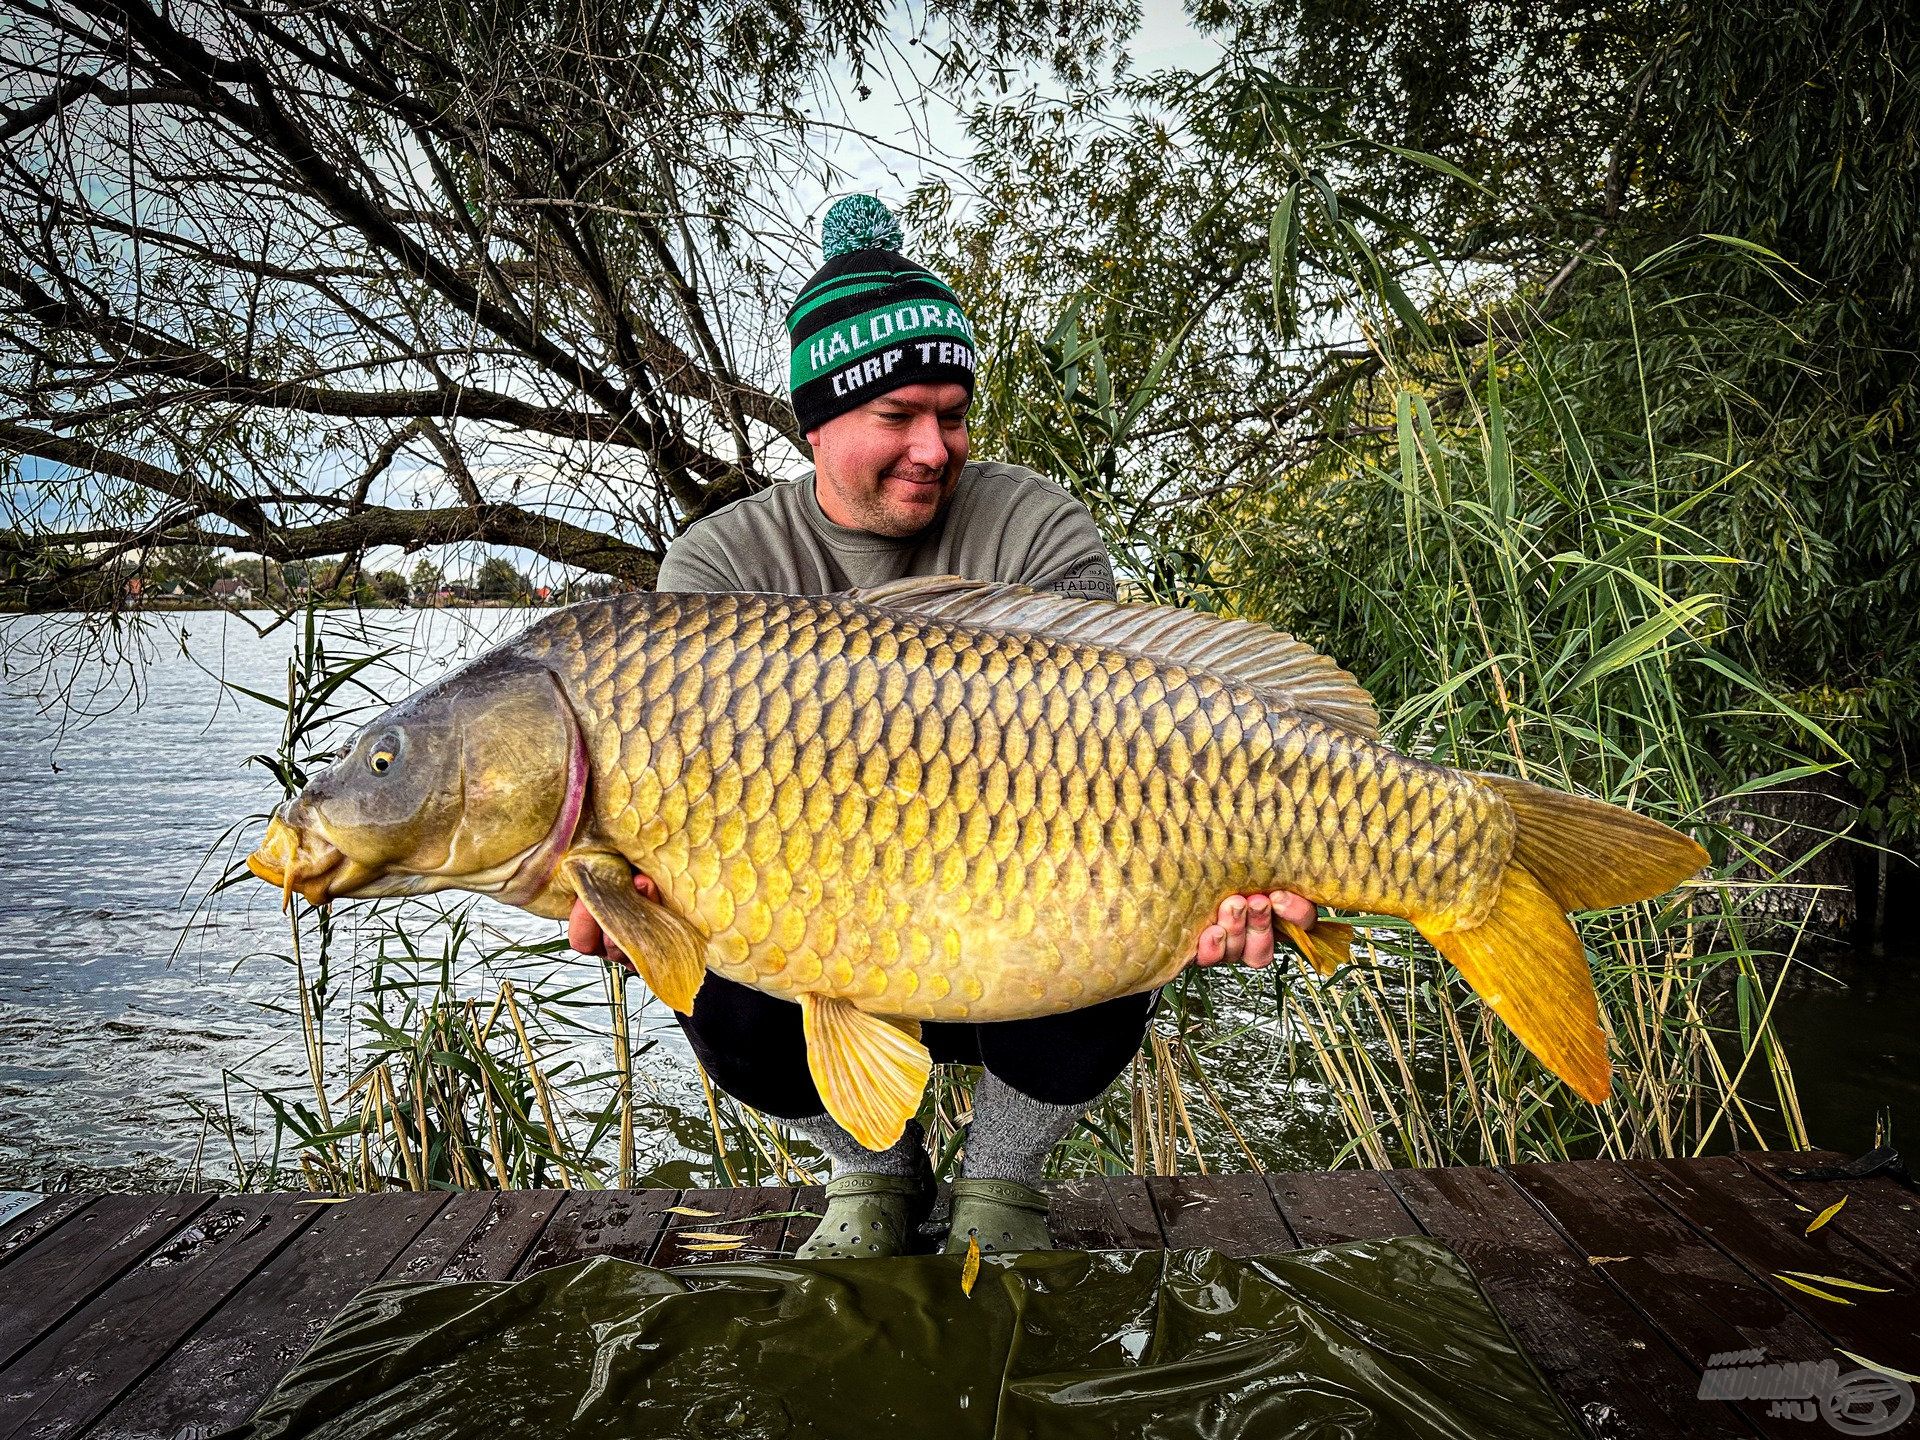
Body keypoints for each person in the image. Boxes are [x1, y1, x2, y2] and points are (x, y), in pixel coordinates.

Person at [570, 195, 1317, 1258]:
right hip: (816, 919)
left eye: (955, 412)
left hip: (1016, 911)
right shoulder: (717, 570)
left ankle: (1001, 1181)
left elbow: (1127, 762)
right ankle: (871, 1174)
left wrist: (1226, 874)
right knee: (698, 949)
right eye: (899, 415)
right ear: (817, 422)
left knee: (1120, 904)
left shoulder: (1034, 523)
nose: (936, 446)